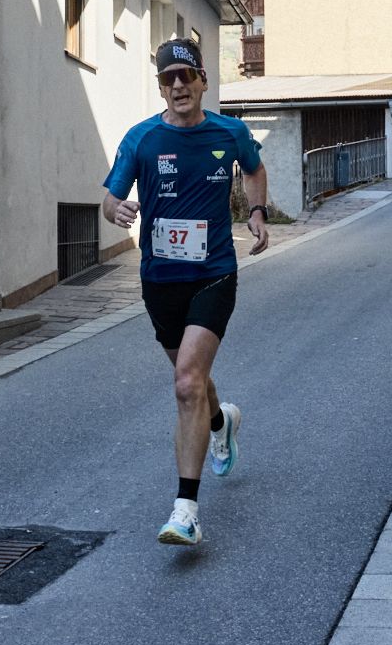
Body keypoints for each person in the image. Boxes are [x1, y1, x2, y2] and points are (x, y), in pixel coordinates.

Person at [104, 39, 269, 547]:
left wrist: (256, 211)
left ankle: (186, 511)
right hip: (160, 281)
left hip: (214, 273)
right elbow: (109, 198)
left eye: (186, 76)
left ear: (202, 81)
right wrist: (117, 210)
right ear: (161, 88)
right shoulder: (141, 139)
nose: (177, 85)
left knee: (185, 382)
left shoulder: (229, 132)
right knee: (192, 381)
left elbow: (254, 169)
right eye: (167, 78)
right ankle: (221, 422)